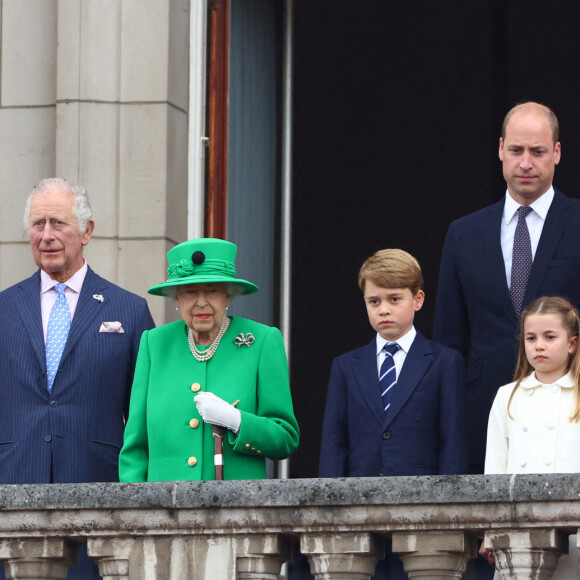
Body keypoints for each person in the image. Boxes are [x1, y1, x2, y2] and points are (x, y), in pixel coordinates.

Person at [0, 178, 155, 579]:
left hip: (99, 497)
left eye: (58, 223)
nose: (47, 236)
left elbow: (144, 416)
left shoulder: (130, 310)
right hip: (13, 490)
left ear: (86, 231)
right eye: (38, 225)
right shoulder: (3, 308)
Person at [433, 102, 580, 475]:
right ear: (501, 149)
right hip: (483, 419)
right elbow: (450, 342)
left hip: (569, 417)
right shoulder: (463, 234)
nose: (526, 163)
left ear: (557, 153)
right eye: (516, 150)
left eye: (538, 151)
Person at [318, 249, 467, 579]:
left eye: (394, 299)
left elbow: (452, 441)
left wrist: (448, 511)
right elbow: (334, 441)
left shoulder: (444, 362)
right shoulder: (345, 366)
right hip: (357, 509)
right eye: (374, 301)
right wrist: (328, 509)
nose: (383, 309)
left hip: (423, 512)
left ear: (418, 299)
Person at [118, 237, 299, 482]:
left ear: (228, 296)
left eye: (212, 291)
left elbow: (285, 438)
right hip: (164, 511)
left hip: (236, 510)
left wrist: (237, 421)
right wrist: (137, 512)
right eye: (190, 292)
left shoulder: (262, 341)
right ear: (176, 298)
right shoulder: (155, 343)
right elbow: (135, 447)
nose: (201, 303)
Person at [482, 296, 580, 578]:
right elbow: (495, 469)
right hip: (518, 529)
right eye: (531, 337)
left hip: (573, 531)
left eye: (550, 337)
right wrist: (491, 529)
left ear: (572, 343)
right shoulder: (507, 396)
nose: (539, 345)